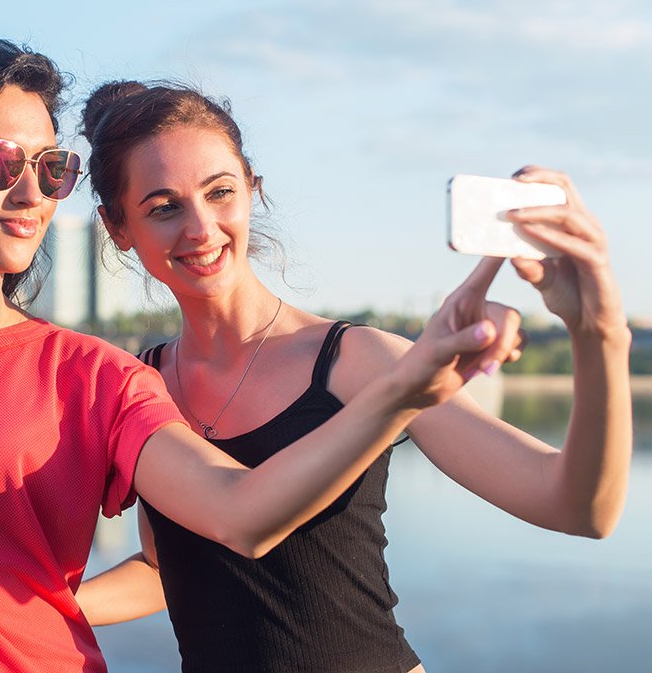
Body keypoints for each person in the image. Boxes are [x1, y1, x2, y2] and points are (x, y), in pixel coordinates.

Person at [0, 39, 527, 673]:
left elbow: (240, 515)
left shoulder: (90, 377)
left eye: (52, 169)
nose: (30, 194)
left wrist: (401, 390)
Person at [74, 81, 634, 673]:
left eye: (220, 193)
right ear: (117, 229)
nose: (202, 229)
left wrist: (598, 331)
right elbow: (169, 571)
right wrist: (8, 608)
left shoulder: (361, 361)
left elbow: (578, 508)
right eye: (164, 208)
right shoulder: (141, 384)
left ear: (253, 192)